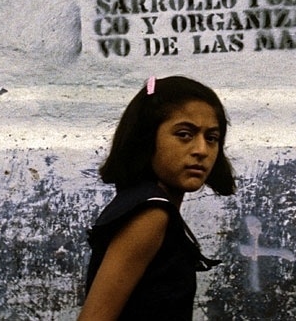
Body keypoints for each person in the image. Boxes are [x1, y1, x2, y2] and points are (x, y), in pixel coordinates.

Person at [78, 75, 237, 321]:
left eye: (212, 138)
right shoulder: (151, 214)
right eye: (185, 134)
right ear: (147, 139)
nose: (201, 150)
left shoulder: (143, 204)